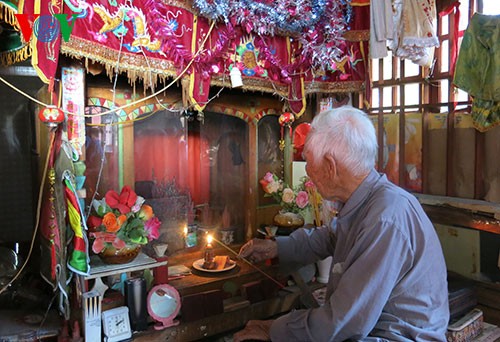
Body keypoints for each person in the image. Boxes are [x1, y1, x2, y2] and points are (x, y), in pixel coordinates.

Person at [235, 106, 449, 341]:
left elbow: (343, 321)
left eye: (308, 162)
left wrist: (273, 329)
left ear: (330, 166)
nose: (307, 172)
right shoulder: (366, 200)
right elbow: (331, 236)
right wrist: (277, 247)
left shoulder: (385, 218)